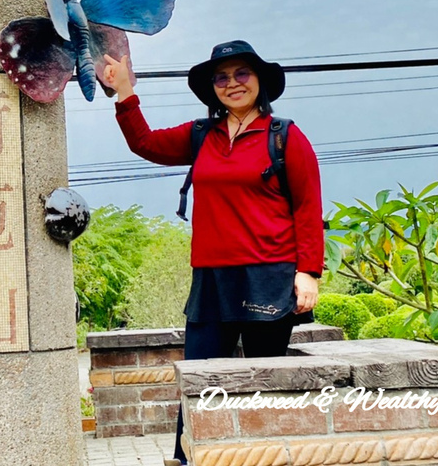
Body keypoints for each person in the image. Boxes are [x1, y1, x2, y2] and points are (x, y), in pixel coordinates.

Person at [102, 40, 324, 465]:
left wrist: (308, 271)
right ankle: (189, 460)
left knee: (261, 384)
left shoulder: (285, 137)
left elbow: (308, 207)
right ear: (212, 89)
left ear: (260, 81)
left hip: (268, 275)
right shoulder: (202, 136)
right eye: (221, 77)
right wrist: (125, 93)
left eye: (242, 73)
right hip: (211, 277)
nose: (232, 84)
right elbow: (145, 143)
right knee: (200, 383)